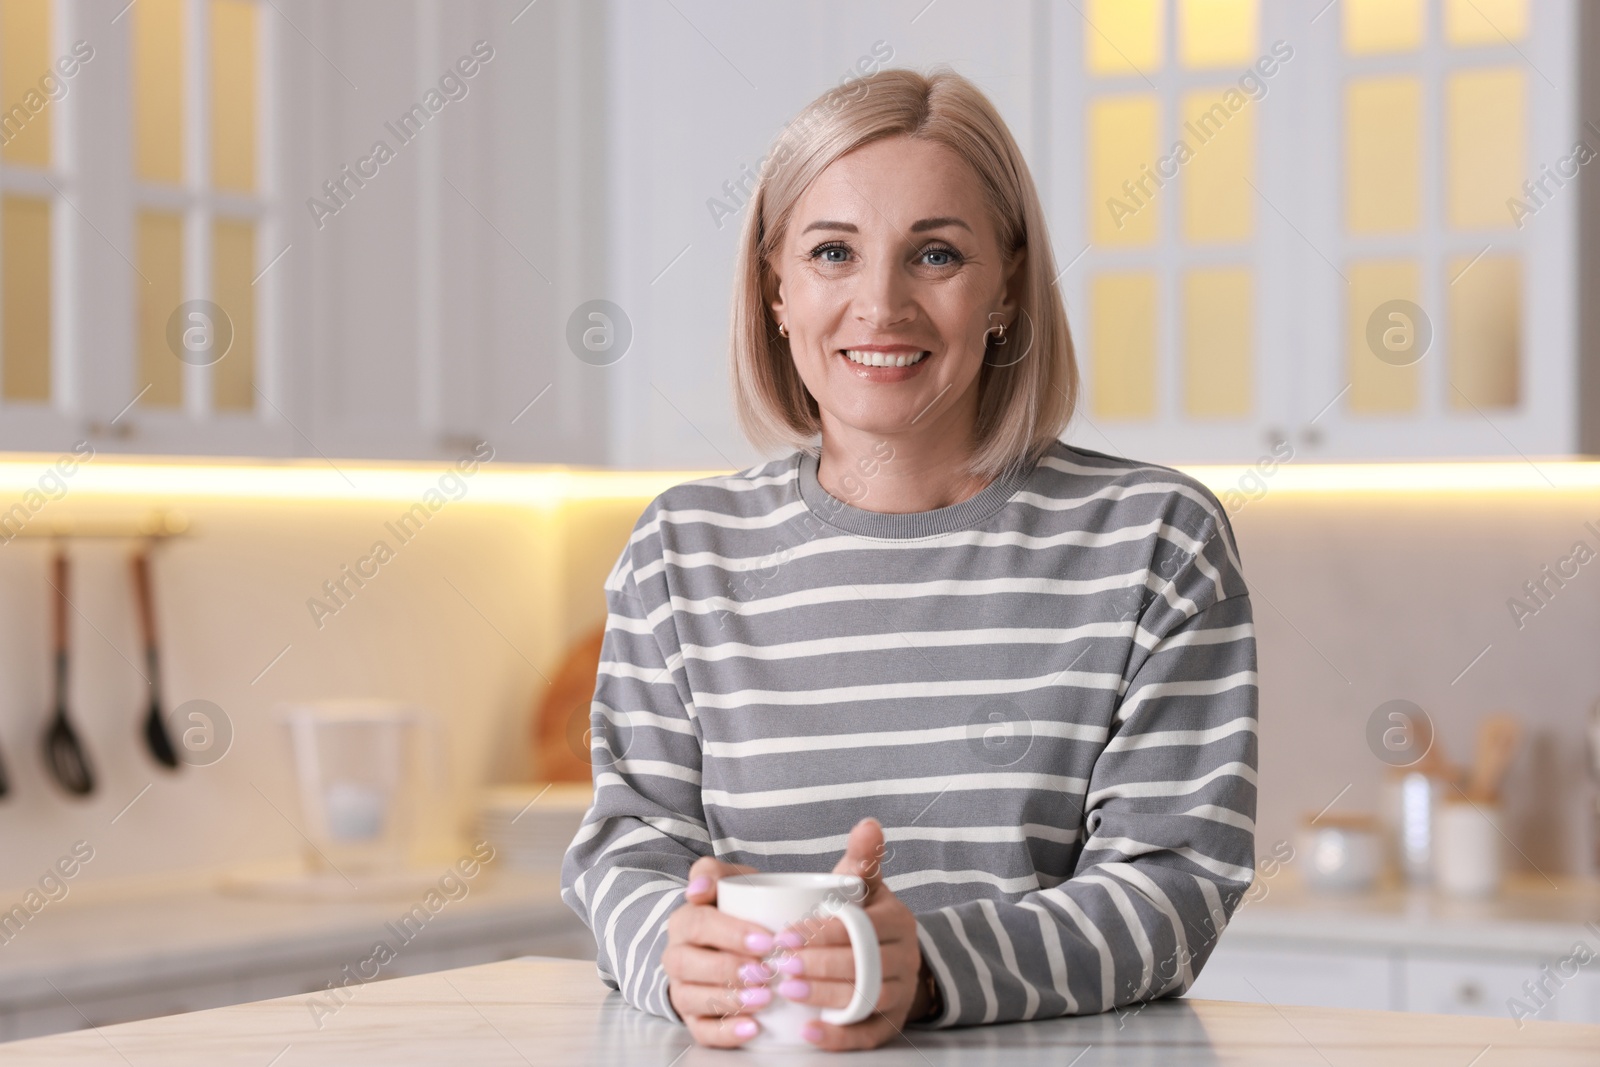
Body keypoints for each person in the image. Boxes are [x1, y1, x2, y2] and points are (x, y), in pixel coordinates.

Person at [560, 66, 1258, 1052]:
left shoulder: (1153, 538)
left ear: (1006, 287)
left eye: (934, 253)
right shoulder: (680, 551)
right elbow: (627, 847)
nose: (880, 304)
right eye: (833, 252)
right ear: (777, 290)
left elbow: (1175, 888)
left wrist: (926, 968)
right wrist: (676, 952)